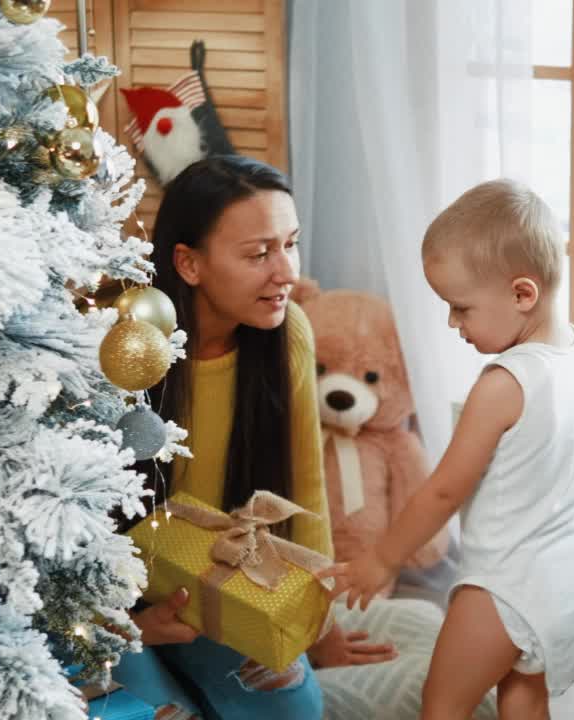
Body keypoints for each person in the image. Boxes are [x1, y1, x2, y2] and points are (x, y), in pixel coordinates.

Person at [114, 155, 396, 720]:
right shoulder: (126, 346)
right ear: (189, 264)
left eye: (289, 244)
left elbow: (305, 492)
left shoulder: (288, 331)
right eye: (259, 253)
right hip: (109, 600)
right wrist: (132, 627)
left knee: (296, 712)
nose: (286, 271)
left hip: (215, 584)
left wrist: (319, 628)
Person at [321, 179, 574, 720]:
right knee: (523, 696)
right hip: (568, 579)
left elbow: (446, 488)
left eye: (462, 308)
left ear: (523, 294)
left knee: (443, 706)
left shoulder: (504, 383)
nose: (453, 323)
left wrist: (382, 558)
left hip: (504, 586)